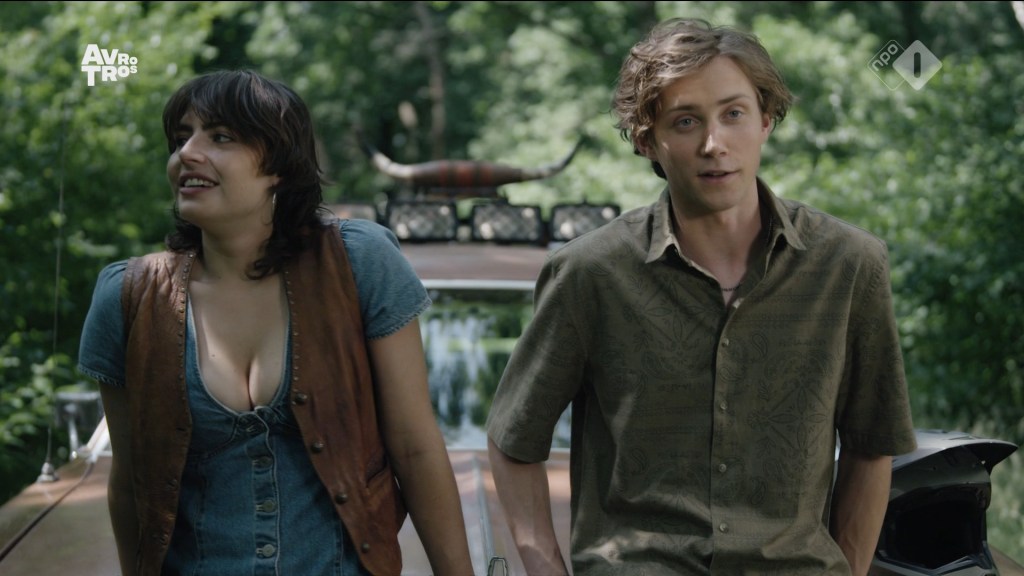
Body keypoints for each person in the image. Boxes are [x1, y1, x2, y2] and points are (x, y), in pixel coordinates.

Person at [486, 17, 917, 576]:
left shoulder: (849, 266)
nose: (715, 145)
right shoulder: (590, 275)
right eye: (686, 121)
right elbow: (514, 439)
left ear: (766, 120)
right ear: (647, 140)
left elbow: (871, 444)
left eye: (734, 114)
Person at [77, 69, 474, 576]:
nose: (187, 153)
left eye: (221, 137)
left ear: (280, 168)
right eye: (180, 138)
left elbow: (415, 447)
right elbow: (130, 483)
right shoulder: (130, 296)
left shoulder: (358, 263)